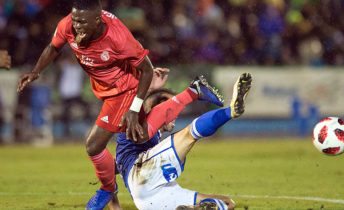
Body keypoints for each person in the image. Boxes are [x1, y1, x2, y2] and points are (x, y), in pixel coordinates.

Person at [15, 0, 224, 209]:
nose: (76, 25)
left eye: (82, 22)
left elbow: (147, 70)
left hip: (124, 89)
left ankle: (108, 189)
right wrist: (36, 71)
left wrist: (134, 108)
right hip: (104, 89)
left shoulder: (118, 36)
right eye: (74, 19)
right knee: (141, 135)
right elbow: (53, 47)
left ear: (97, 20)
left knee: (94, 145)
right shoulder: (67, 25)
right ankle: (192, 92)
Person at [115, 72, 252, 210]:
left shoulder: (149, 137)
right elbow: (143, 104)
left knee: (227, 204)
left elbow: (112, 169)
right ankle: (230, 112)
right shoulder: (137, 125)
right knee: (189, 134)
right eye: (173, 108)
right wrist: (151, 91)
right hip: (140, 175)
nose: (176, 113)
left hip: (151, 198)